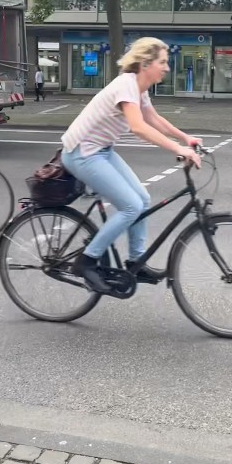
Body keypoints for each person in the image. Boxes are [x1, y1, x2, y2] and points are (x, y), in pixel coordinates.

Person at [60, 37, 202, 292]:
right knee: (131, 206)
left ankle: (136, 262)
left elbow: (153, 119)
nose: (167, 68)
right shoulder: (126, 85)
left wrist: (185, 138)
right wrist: (178, 149)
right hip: (82, 153)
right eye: (162, 62)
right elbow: (139, 127)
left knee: (142, 199)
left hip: (101, 151)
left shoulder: (140, 88)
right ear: (145, 63)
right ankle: (87, 260)